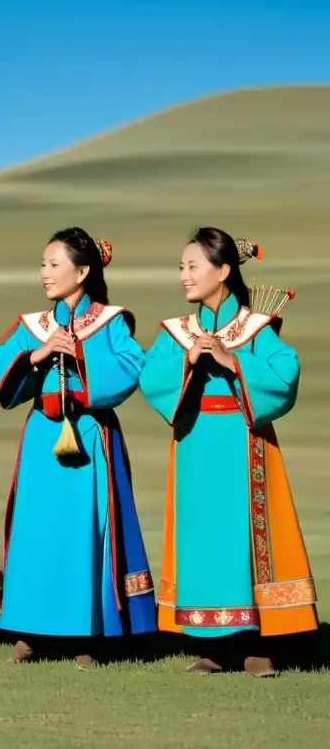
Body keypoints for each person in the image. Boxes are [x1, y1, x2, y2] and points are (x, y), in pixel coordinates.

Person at [138, 227, 317, 677]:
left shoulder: (257, 328)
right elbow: (151, 374)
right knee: (203, 539)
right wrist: (187, 361)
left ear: (223, 271)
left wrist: (232, 360)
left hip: (245, 441)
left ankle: (259, 642)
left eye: (193, 266)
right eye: (181, 267)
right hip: (196, 441)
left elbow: (285, 372)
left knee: (248, 537)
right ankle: (215, 644)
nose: (184, 276)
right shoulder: (178, 331)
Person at [0, 227, 156, 668]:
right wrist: (36, 356)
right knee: (36, 531)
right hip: (44, 435)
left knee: (87, 531)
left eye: (53, 264)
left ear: (82, 271)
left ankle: (89, 632)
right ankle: (31, 631)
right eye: (42, 264)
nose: (44, 272)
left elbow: (132, 364)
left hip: (88, 435)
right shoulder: (33, 326)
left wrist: (80, 355)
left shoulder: (112, 320)